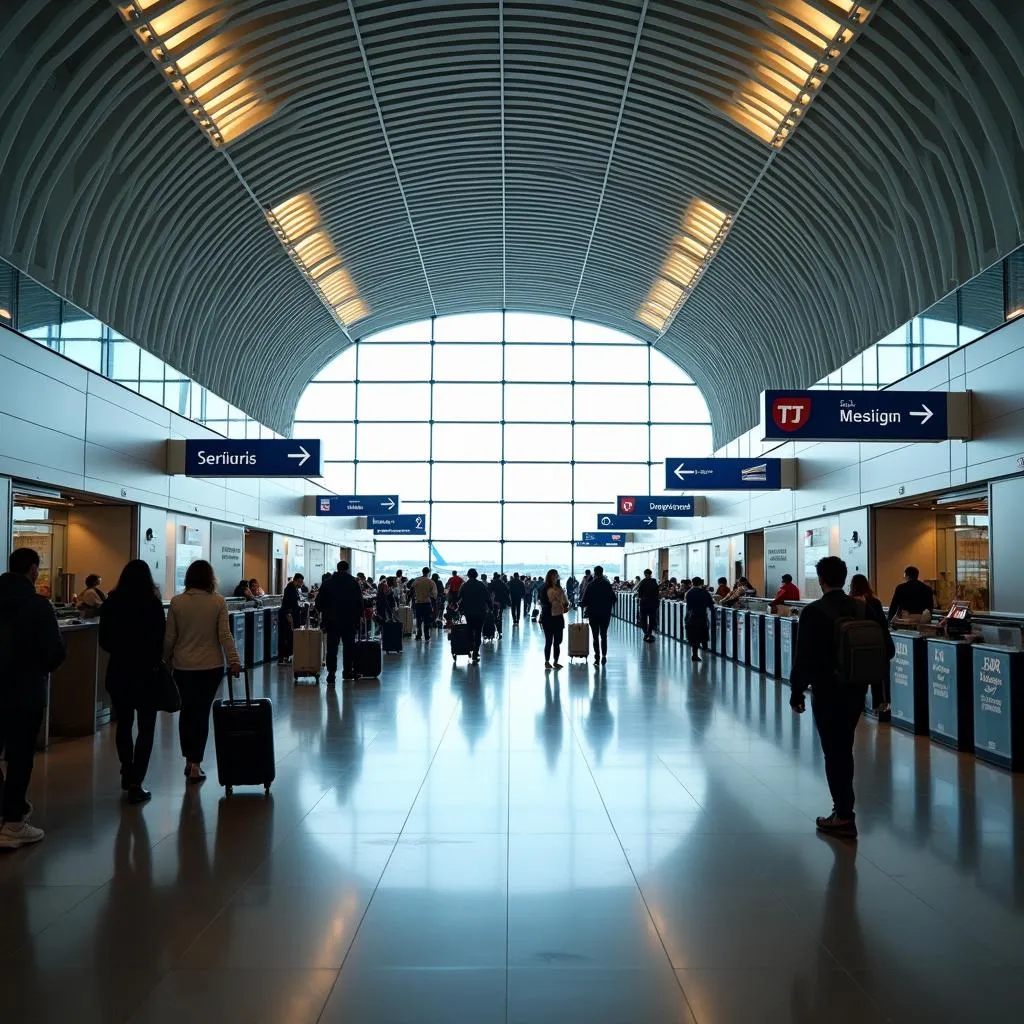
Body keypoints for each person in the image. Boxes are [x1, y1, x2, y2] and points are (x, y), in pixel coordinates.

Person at [790, 556, 880, 840]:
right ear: (843, 578)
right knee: (845, 745)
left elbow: (803, 657)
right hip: (856, 688)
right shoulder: (866, 607)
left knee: (834, 750)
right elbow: (886, 648)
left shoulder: (814, 612)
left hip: (827, 690)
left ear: (821, 581)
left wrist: (796, 692)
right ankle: (843, 811)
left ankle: (843, 815)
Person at [0, 548, 65, 848]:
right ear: (32, 569)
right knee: (20, 757)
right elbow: (55, 652)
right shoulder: (38, 606)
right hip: (25, 693)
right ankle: (13, 822)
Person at [164, 560, 241, 784]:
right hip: (211, 666)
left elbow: (170, 637)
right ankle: (196, 763)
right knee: (201, 713)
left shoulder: (177, 603)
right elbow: (225, 635)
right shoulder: (218, 602)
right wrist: (234, 660)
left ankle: (189, 760)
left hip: (183, 666)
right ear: (210, 578)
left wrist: (164, 660)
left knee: (187, 711)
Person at [98, 560, 165, 804]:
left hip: (119, 672)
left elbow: (104, 640)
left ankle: (127, 771)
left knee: (124, 725)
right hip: (147, 673)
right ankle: (137, 780)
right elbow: (161, 640)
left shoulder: (111, 603)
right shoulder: (153, 604)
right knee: (146, 728)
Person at [850, 574, 895, 718]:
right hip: (876, 645)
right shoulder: (874, 602)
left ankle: (860, 705)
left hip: (857, 647)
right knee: (878, 677)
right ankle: (880, 707)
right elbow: (882, 624)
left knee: (859, 677)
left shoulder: (850, 603)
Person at [317, 561, 364, 683]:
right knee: (349, 647)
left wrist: (326, 613)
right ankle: (347, 671)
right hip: (349, 621)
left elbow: (318, 603)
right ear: (348, 569)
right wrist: (358, 618)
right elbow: (360, 603)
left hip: (332, 622)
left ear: (337, 569)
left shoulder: (327, 583)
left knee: (332, 648)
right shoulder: (353, 583)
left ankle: (331, 673)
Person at [580, 565, 616, 665]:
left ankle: (597, 657)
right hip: (605, 613)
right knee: (603, 635)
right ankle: (604, 656)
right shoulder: (607, 584)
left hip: (593, 614)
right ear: (602, 572)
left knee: (595, 636)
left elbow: (584, 601)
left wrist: (582, 604)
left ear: (594, 573)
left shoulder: (590, 585)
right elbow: (614, 599)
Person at [457, 569, 490, 663]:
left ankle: (470, 648)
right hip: (480, 611)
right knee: (479, 631)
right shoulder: (481, 585)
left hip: (469, 612)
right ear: (476, 575)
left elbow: (459, 597)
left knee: (470, 630)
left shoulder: (464, 585)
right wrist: (491, 607)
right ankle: (476, 652)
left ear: (468, 575)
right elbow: (487, 597)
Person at [540, 569, 569, 669]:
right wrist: (552, 600)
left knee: (558, 641)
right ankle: (547, 661)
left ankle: (556, 661)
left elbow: (566, 601)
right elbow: (543, 602)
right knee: (548, 641)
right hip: (548, 617)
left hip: (558, 617)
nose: (555, 578)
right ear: (549, 577)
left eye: (556, 576)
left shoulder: (559, 588)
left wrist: (565, 606)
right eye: (553, 576)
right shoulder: (545, 588)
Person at [684, 576, 715, 661]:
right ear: (701, 583)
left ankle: (694, 654)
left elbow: (688, 605)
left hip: (691, 616)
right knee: (703, 632)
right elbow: (711, 604)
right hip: (701, 616)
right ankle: (704, 648)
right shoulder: (704, 592)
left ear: (692, 583)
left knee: (694, 635)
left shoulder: (689, 593)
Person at [411, 567, 438, 643]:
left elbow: (411, 588)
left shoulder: (417, 580)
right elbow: (434, 595)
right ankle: (426, 637)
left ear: (422, 572)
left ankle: (418, 635)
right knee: (427, 621)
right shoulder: (430, 582)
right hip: (427, 604)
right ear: (429, 573)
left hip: (418, 603)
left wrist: (415, 596)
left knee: (418, 621)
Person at [636, 568, 660, 642]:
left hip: (644, 603)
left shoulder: (643, 582)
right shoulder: (654, 581)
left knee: (644, 619)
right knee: (652, 619)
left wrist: (642, 597)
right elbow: (657, 592)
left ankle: (646, 633)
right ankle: (648, 633)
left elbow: (639, 593)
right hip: (652, 604)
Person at [488, 572, 509, 638]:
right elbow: (507, 593)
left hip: (493, 603)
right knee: (499, 617)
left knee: (493, 616)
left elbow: (488, 594)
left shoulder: (491, 584)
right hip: (501, 603)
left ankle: (492, 630)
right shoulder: (503, 584)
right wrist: (507, 601)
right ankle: (499, 631)